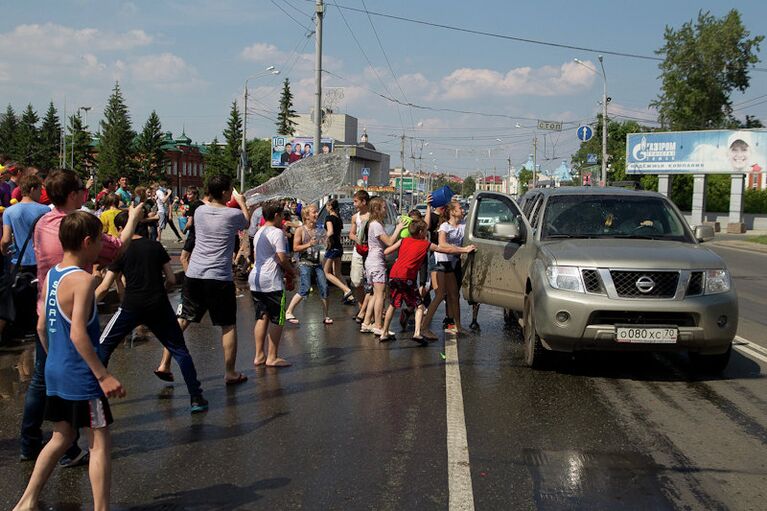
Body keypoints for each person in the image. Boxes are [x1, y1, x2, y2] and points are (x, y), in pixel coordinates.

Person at [19, 168, 143, 466]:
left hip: (46, 307)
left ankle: (35, 442)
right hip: (72, 308)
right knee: (81, 386)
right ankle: (69, 443)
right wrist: (133, 219)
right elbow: (115, 249)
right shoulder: (78, 228)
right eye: (81, 191)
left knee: (44, 379)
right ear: (74, 194)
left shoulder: (42, 221)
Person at [13, 211, 127, 511]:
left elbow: (41, 327)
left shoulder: (53, 273)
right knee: (100, 442)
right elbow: (79, 334)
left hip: (56, 371)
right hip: (83, 377)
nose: (103, 246)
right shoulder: (83, 281)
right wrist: (103, 375)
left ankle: (28, 500)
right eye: (100, 241)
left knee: (62, 436)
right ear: (87, 242)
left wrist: (56, 361)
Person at [95, 213, 208, 414]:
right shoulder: (156, 247)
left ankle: (95, 399)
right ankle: (196, 397)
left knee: (103, 346)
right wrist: (160, 290)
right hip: (159, 305)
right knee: (179, 350)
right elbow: (172, 279)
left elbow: (105, 286)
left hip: (131, 306)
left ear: (123, 228)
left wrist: (85, 304)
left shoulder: (121, 251)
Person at [156, 174, 250, 385]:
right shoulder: (233, 214)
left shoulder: (199, 211)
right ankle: (230, 372)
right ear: (226, 193)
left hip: (195, 275)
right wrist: (242, 202)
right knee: (227, 325)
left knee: (182, 320)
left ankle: (164, 363)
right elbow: (247, 221)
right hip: (219, 278)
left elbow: (209, 202)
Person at [380, 220, 475, 343]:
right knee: (419, 305)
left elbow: (386, 251)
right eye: (425, 231)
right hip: (407, 277)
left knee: (393, 304)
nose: (427, 233)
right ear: (420, 232)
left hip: (394, 274)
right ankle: (418, 333)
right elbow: (445, 250)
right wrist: (464, 250)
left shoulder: (403, 240)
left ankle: (384, 333)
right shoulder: (425, 244)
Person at [1, 175, 49, 335]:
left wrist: (3, 250)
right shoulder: (44, 210)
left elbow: (6, 239)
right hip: (41, 260)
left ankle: (23, 328)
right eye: (40, 190)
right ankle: (39, 327)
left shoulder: (9, 211)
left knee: (21, 295)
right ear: (34, 189)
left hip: (19, 260)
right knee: (41, 295)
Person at [249, 202, 296, 367]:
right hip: (271, 281)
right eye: (282, 215)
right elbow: (282, 258)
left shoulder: (259, 232)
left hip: (256, 279)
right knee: (278, 319)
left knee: (262, 317)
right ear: (276, 215)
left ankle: (259, 355)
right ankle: (272, 356)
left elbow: (256, 256)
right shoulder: (277, 233)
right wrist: (292, 272)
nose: (283, 218)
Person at [421, 200, 468, 339]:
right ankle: (424, 327)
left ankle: (458, 326)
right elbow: (442, 244)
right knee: (440, 295)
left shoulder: (464, 225)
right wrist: (462, 250)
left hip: (452, 262)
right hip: (439, 261)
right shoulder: (445, 226)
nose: (463, 210)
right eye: (460, 208)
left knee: (454, 295)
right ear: (453, 211)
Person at [360, 198, 404, 336]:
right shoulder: (376, 225)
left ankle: (366, 322)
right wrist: (399, 229)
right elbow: (390, 242)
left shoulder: (373, 224)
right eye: (384, 208)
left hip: (371, 261)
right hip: (376, 262)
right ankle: (378, 325)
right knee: (381, 295)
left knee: (374, 294)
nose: (386, 210)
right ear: (377, 209)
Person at [284, 204, 332, 326]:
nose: (316, 214)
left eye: (316, 212)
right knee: (305, 288)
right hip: (304, 262)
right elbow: (295, 248)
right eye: (314, 212)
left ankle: (326, 316)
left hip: (317, 263)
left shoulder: (320, 230)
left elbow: (326, 245)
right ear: (306, 216)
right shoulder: (301, 230)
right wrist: (309, 244)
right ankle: (289, 311)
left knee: (324, 287)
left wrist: (326, 242)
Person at [323, 199, 355, 304]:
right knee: (337, 273)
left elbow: (330, 231)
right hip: (339, 247)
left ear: (330, 206)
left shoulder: (329, 218)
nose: (326, 208)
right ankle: (349, 296)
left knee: (326, 272)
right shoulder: (338, 218)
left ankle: (347, 290)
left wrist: (323, 238)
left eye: (327, 206)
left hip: (332, 248)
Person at [349, 190, 372, 323]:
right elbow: (352, 233)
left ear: (364, 202)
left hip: (370, 252)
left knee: (370, 283)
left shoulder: (372, 216)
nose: (354, 204)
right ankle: (363, 307)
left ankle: (364, 313)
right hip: (358, 251)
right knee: (356, 282)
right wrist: (358, 239)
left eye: (356, 201)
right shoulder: (355, 217)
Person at [180, 186, 205, 272]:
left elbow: (190, 223)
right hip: (202, 234)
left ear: (195, 195)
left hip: (193, 234)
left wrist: (184, 230)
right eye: (187, 194)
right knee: (194, 258)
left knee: (183, 258)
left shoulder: (193, 205)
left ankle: (188, 279)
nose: (188, 196)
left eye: (190, 194)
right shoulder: (202, 204)